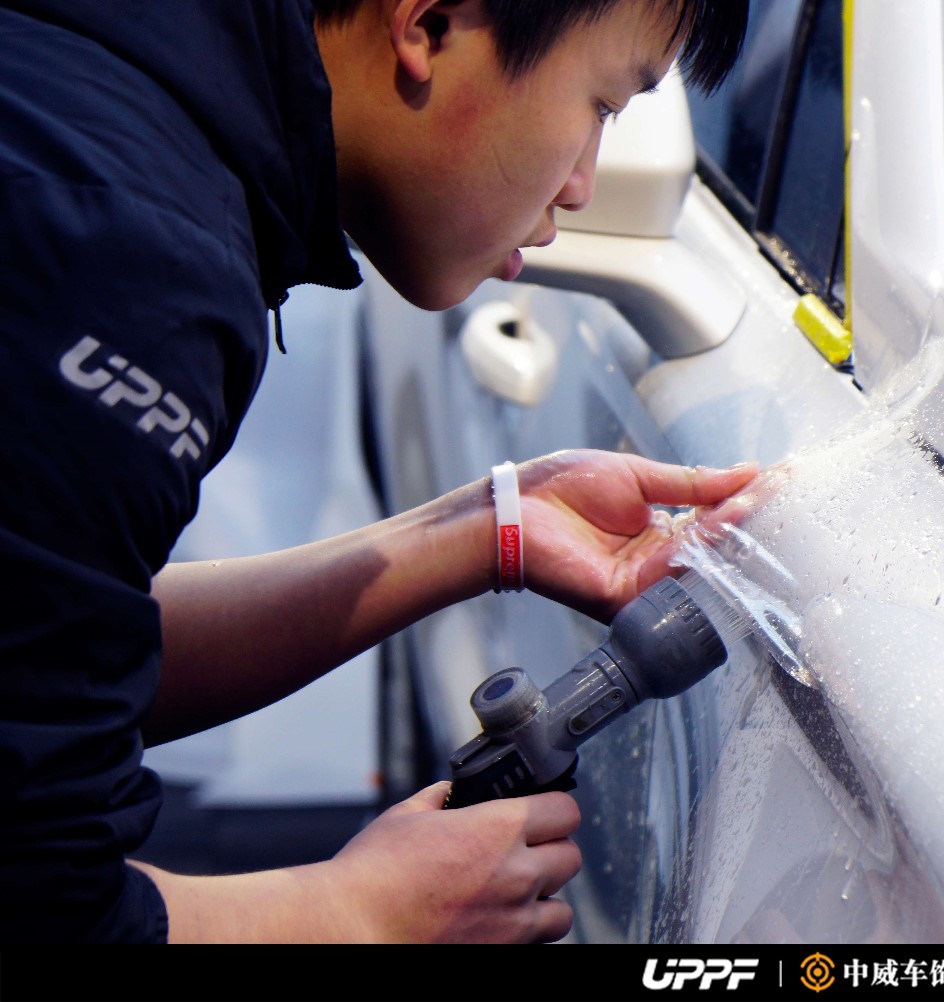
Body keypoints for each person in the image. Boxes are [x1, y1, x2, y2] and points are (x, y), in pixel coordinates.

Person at [0, 0, 752, 943]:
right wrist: (358, 914)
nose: (580, 187)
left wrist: (490, 528)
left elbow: (56, 654)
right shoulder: (121, 253)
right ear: (427, 24)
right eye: (603, 105)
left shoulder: (95, 93)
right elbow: (41, 907)